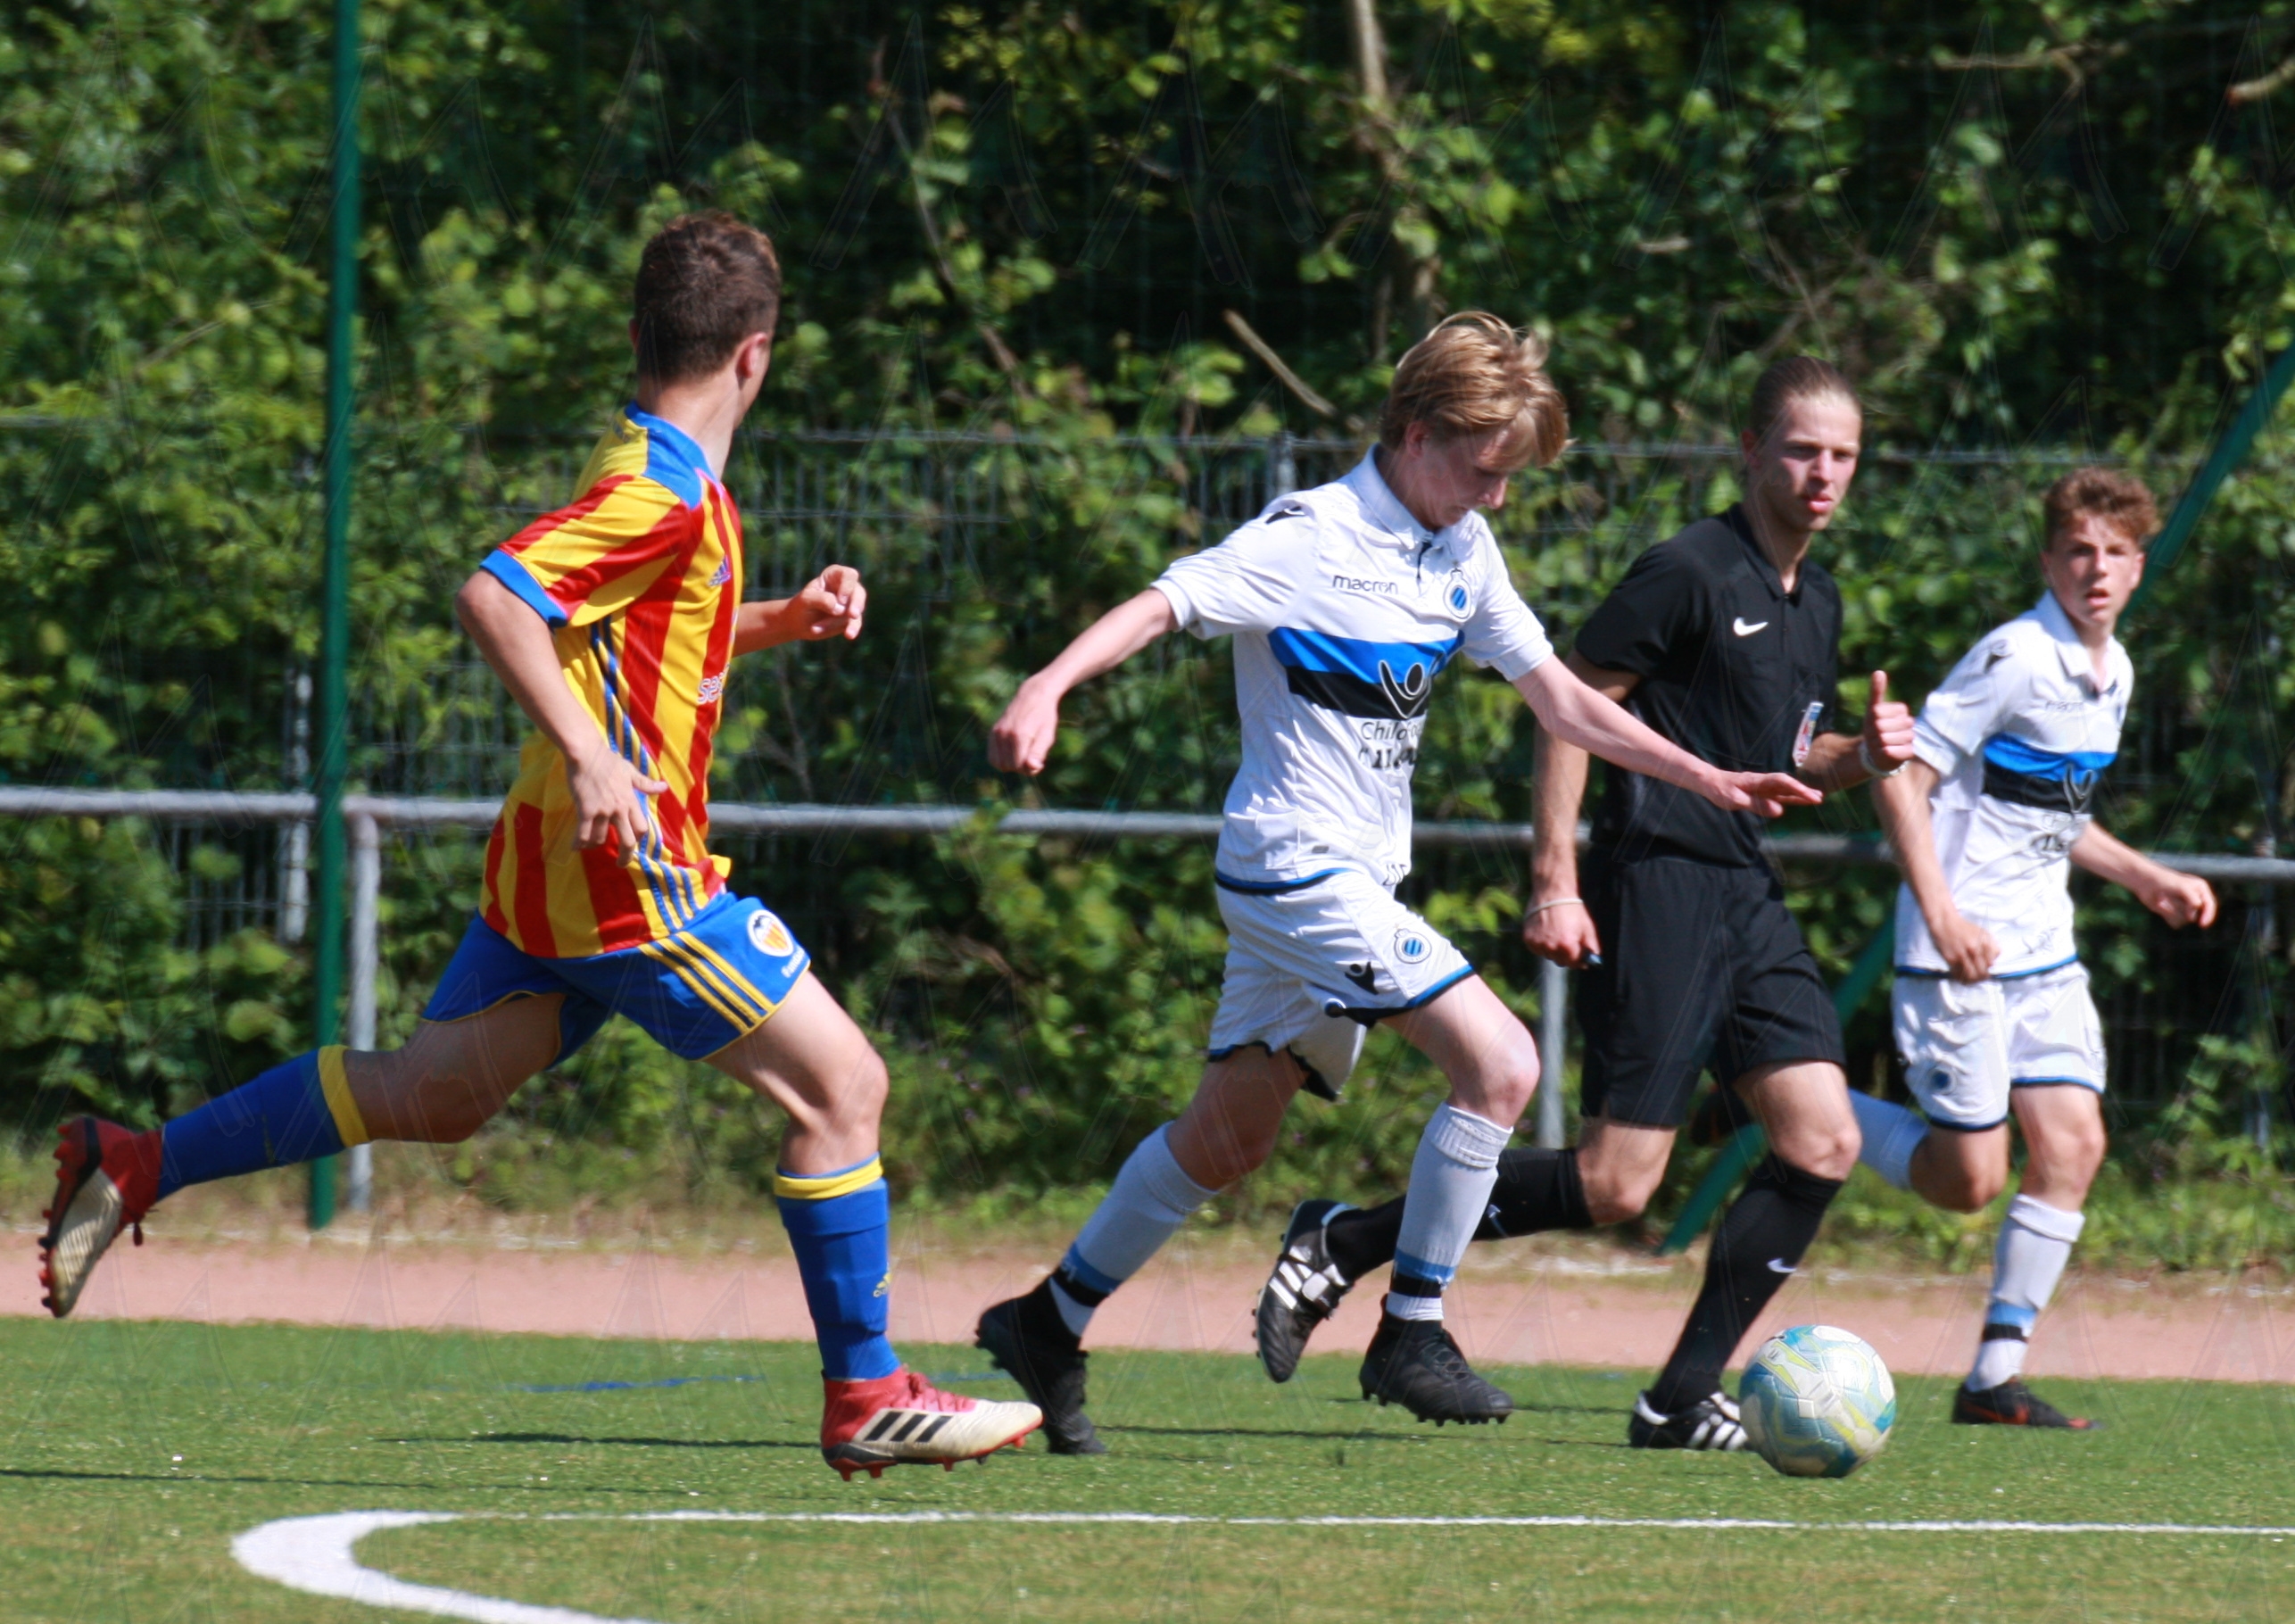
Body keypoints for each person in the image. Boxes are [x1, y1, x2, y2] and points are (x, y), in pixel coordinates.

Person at [37, 212, 1040, 1481]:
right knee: (843, 1089)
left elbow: (634, 637)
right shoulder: (666, 493)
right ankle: (867, 1392)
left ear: (638, 335)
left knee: (434, 1096)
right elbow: (495, 595)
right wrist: (589, 752)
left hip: (550, 868)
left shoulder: (648, 464)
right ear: (756, 355)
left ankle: (139, 1160)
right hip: (630, 876)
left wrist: (777, 619)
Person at [972, 314, 1821, 1454]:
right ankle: (1410, 1325)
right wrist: (1046, 684)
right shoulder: (1308, 535)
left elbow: (1564, 699)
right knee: (1502, 1062)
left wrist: (1707, 776)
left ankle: (1046, 1319)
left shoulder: (1462, 548)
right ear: (1416, 435)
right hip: (1293, 868)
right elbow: (1163, 602)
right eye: (1483, 471)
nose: (1496, 498)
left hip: (1345, 884)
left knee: (1227, 1138)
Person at [1253, 356, 1917, 1452]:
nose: (1822, 474)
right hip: (1655, 880)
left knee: (1821, 1139)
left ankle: (1677, 1398)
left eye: (1841, 455)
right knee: (1617, 1181)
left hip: (1744, 886)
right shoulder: (1688, 570)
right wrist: (1554, 878)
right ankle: (1352, 1238)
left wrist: (1868, 755)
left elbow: (1792, 757)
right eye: (1802, 449)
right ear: (1751, 449)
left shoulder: (1817, 598)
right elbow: (1567, 708)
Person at [1849, 468, 2215, 1429]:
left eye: (2116, 553)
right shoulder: (2013, 656)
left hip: (2044, 954)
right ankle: (1789, 1100)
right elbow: (1900, 778)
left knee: (2075, 1143)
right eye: (2079, 551)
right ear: (2050, 562)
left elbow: (2057, 816)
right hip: (1959, 950)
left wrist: (2145, 876)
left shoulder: (2114, 670)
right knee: (1967, 1182)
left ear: (2139, 567)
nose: (2097, 569)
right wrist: (1941, 914)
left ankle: (1992, 1378)